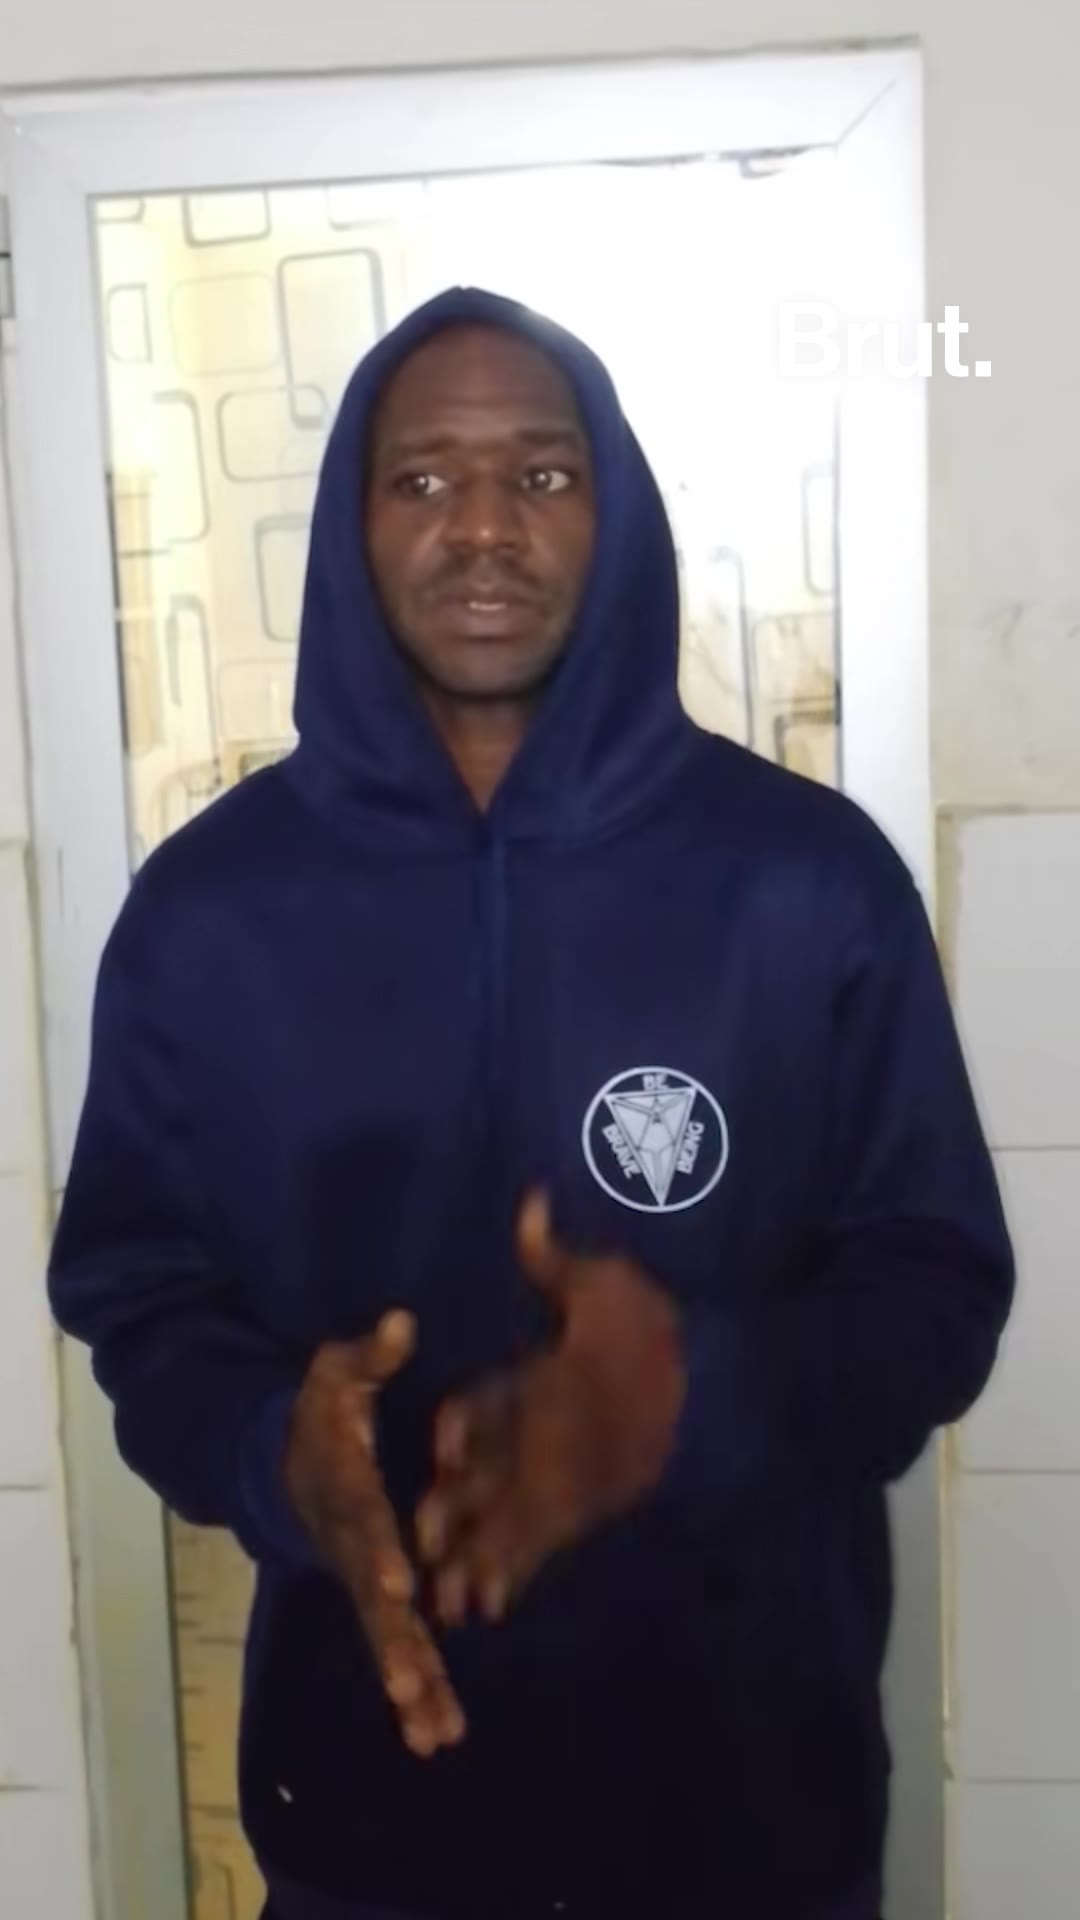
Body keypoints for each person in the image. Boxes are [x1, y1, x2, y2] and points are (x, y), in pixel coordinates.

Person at [48, 286, 1015, 1920]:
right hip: (370, 1811)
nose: (483, 526)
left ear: (615, 510)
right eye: (424, 478)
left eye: (542, 475)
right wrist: (273, 1451)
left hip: (751, 1817)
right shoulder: (211, 914)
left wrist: (689, 1402)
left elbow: (934, 1296)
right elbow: (140, 1299)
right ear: (352, 526)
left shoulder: (807, 883)